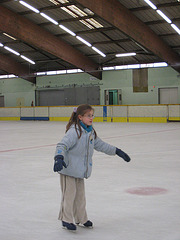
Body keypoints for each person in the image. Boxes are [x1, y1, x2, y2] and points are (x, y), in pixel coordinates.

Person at [53, 104, 131, 231]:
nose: (91, 118)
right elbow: (62, 145)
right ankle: (66, 220)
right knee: (69, 196)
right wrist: (59, 158)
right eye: (88, 115)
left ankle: (81, 218)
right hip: (68, 170)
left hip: (79, 171)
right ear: (80, 117)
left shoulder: (90, 132)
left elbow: (101, 145)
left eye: (92, 115)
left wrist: (117, 151)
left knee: (80, 197)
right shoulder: (74, 131)